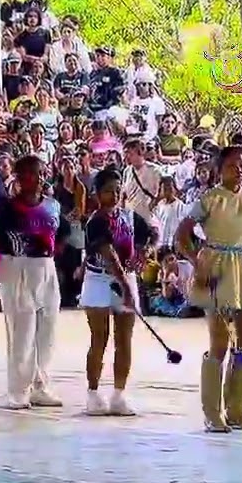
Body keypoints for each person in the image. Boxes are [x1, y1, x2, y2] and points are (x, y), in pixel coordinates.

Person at [175, 145, 242, 433]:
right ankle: (212, 412)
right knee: (219, 340)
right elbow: (181, 234)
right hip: (217, 266)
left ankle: (237, 408)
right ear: (219, 170)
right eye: (234, 165)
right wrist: (197, 260)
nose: (241, 168)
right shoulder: (209, 199)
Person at [0, 154, 71, 409]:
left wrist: (53, 254)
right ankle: (18, 390)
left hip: (45, 267)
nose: (39, 177)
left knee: (47, 330)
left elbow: (63, 233)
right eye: (32, 173)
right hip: (16, 267)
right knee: (22, 332)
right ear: (19, 178)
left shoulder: (53, 205)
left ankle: (40, 385)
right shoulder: (7, 209)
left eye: (42, 172)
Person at [79, 168, 156, 415]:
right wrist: (127, 289)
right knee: (99, 338)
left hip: (127, 278)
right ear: (97, 194)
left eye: (116, 190)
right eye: (106, 191)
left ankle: (119, 394)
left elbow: (153, 234)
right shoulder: (95, 222)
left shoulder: (131, 217)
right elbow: (110, 257)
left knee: (124, 339)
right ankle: (93, 393)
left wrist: (144, 252)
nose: (113, 195)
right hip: (99, 280)